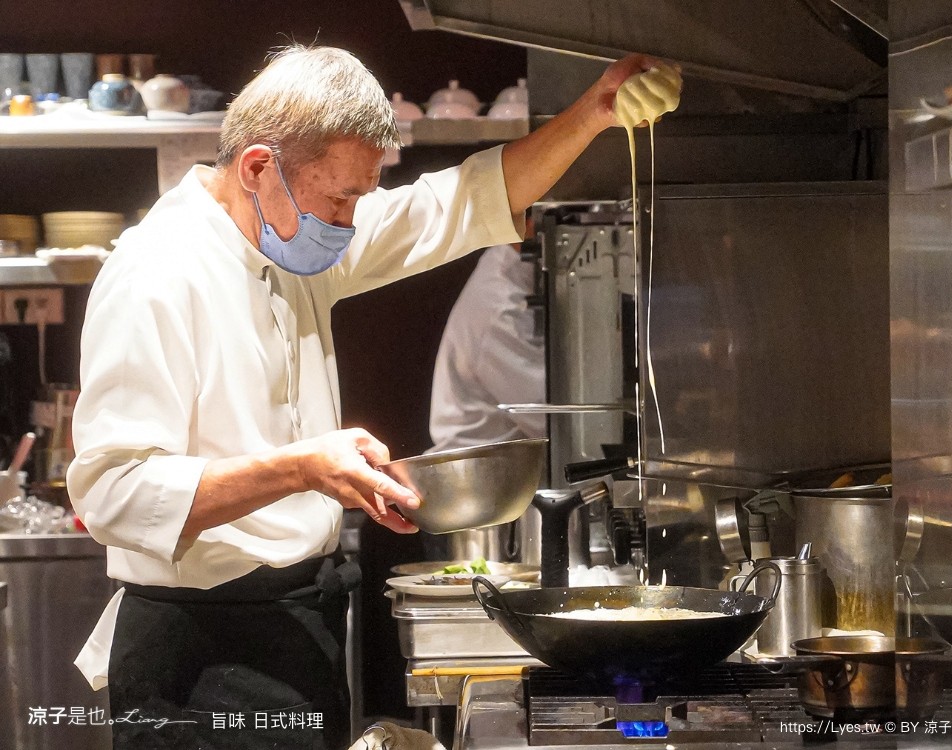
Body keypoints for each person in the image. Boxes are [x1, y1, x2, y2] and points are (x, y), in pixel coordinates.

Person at [66, 45, 681, 749]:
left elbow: (457, 205)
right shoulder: (156, 274)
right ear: (259, 167)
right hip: (200, 659)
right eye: (341, 198)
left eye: (360, 196)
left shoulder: (286, 233)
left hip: (298, 625)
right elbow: (111, 493)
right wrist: (301, 469)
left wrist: (592, 113)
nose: (351, 220)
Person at [426, 237, 544, 454]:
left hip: (517, 466)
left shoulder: (511, 263)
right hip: (481, 474)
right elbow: (551, 420)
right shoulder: (499, 308)